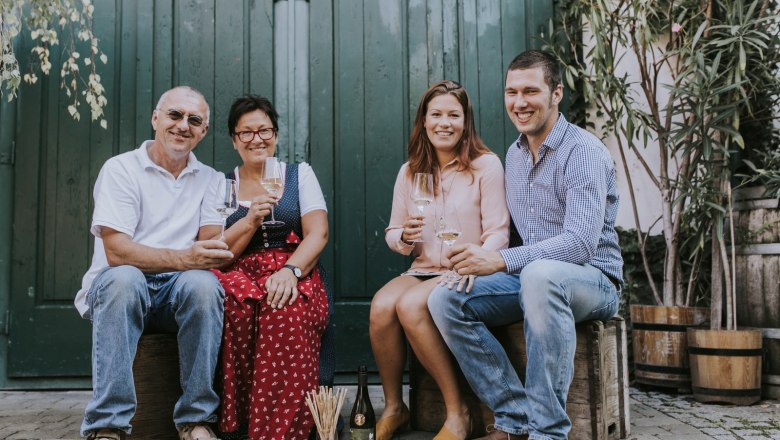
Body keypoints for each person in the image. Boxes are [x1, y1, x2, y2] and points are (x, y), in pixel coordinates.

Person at [428, 50, 624, 440]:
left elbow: (580, 245)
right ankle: (515, 418)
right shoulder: (515, 157)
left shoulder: (582, 152)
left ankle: (548, 432)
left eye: (530, 91)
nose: (519, 102)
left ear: (556, 93)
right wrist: (474, 257)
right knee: (445, 298)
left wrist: (499, 259)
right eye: (511, 92)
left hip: (594, 281)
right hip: (532, 278)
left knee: (539, 275)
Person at [74, 86, 232, 440]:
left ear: (203, 132)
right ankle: (107, 426)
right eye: (175, 115)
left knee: (205, 285)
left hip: (176, 290)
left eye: (194, 120)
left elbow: (207, 248)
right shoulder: (121, 169)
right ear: (155, 118)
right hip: (120, 286)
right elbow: (117, 252)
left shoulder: (212, 180)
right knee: (124, 279)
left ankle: (196, 420)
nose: (183, 126)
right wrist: (185, 257)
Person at [370, 80, 510, 440]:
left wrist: (478, 257)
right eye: (436, 114)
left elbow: (499, 231)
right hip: (423, 267)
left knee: (413, 306)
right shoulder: (410, 170)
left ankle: (456, 413)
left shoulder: (486, 165)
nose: (444, 122)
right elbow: (393, 231)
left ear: (466, 121)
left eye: (453, 115)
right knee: (381, 306)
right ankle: (396, 407)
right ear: (424, 120)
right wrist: (404, 237)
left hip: (466, 270)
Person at [211, 95, 329, 440]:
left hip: (293, 267)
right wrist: (249, 221)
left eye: (263, 130)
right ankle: (243, 426)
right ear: (234, 140)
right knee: (234, 308)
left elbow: (318, 233)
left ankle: (282, 431)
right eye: (245, 133)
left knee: (285, 309)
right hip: (239, 273)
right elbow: (217, 251)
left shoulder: (298, 174)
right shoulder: (223, 185)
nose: (256, 139)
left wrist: (290, 272)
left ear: (275, 135)